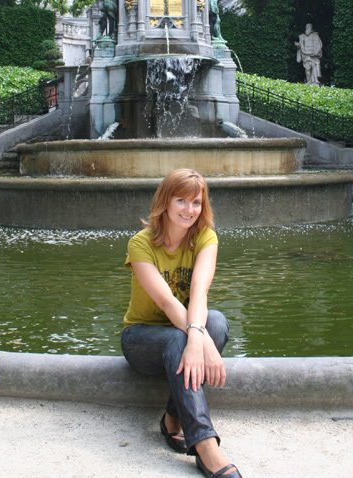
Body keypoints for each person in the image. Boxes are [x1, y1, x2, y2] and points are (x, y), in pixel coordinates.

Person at [121, 168, 243, 478]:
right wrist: (202, 343)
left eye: (197, 203)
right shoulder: (141, 243)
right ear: (165, 201)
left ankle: (173, 419)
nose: (190, 210)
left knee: (216, 322)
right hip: (141, 338)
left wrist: (199, 337)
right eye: (181, 201)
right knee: (188, 335)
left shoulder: (205, 237)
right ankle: (204, 444)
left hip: (185, 328)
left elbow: (199, 292)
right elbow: (167, 303)